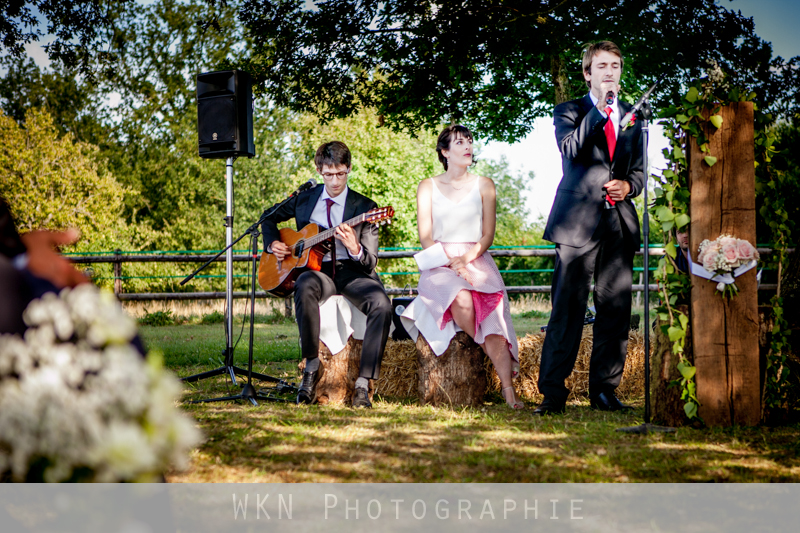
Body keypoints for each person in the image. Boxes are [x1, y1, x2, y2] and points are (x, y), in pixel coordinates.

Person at [536, 41, 644, 415]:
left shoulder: (634, 116)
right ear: (588, 73)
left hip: (619, 222)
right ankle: (552, 393)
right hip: (577, 222)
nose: (609, 72)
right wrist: (599, 111)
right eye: (601, 66)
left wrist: (628, 186)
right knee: (566, 310)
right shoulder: (568, 110)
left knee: (614, 309)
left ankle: (604, 390)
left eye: (615, 65)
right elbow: (570, 149)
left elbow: (640, 174)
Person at [261, 141, 393, 408]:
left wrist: (355, 247)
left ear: (349, 169)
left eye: (341, 173)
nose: (335, 181)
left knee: (381, 304)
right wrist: (272, 242)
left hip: (352, 272)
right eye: (329, 174)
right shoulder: (305, 200)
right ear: (319, 170)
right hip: (318, 271)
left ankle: (363, 384)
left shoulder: (366, 207)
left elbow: (370, 262)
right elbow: (268, 217)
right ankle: (311, 368)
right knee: (305, 283)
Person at [401, 125, 522, 409]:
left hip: (476, 258)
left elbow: (487, 236)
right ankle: (487, 349)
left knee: (493, 317)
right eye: (459, 142)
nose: (468, 146)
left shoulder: (485, 184)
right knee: (462, 299)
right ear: (445, 151)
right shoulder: (427, 186)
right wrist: (451, 265)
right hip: (438, 261)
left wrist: (466, 260)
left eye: (469, 141)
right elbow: (426, 237)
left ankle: (508, 389)